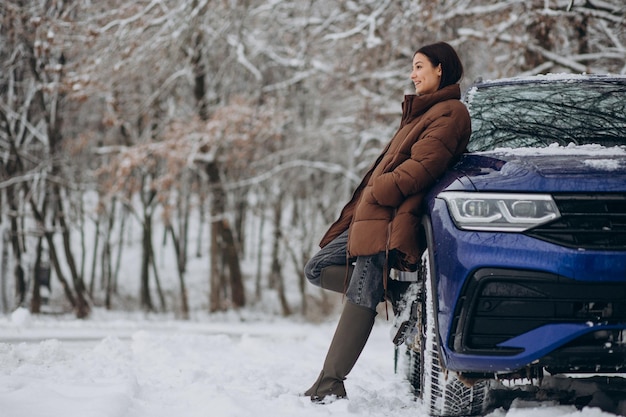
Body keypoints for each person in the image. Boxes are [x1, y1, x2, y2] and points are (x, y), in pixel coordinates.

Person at [303, 42, 471, 402]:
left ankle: (330, 383)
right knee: (317, 268)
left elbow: (422, 168)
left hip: (392, 215)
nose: (412, 74)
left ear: (440, 69)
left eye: (419, 66)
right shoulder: (421, 113)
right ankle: (401, 294)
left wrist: (380, 189)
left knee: (363, 289)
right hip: (374, 213)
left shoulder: (450, 112)